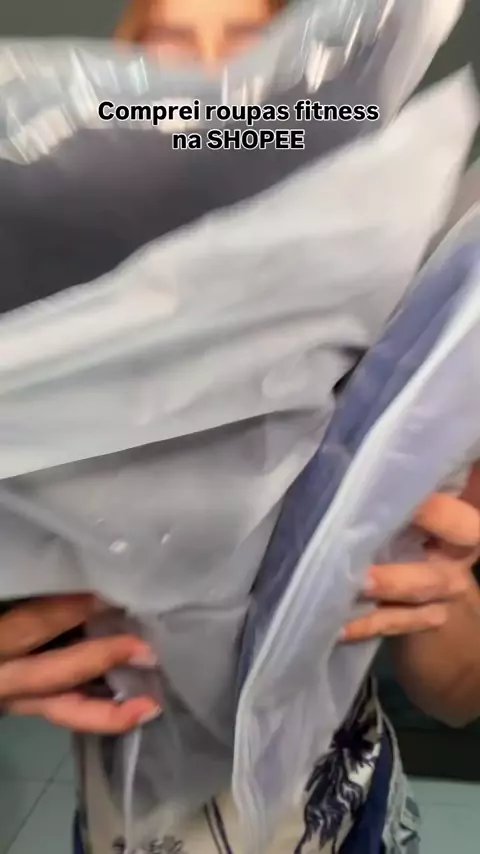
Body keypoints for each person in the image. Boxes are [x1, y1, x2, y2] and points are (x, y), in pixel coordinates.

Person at [1, 1, 480, 852]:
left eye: (265, 59)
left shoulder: (402, 338)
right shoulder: (39, 338)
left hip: (351, 821)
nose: (225, 92)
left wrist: (440, 586)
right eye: (173, 55)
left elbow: (457, 695)